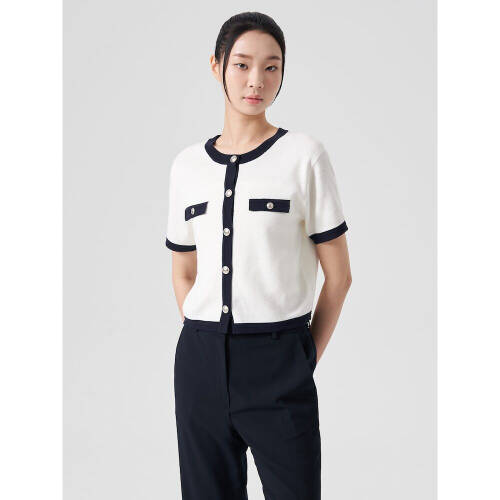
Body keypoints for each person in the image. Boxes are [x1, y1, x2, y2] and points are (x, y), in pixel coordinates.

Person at [164, 11, 352, 500]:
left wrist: (302, 357)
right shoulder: (187, 167)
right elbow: (183, 270)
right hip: (200, 364)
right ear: (216, 66)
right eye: (243, 64)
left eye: (272, 67)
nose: (257, 80)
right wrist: (205, 338)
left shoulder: (304, 156)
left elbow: (339, 276)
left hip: (279, 361)